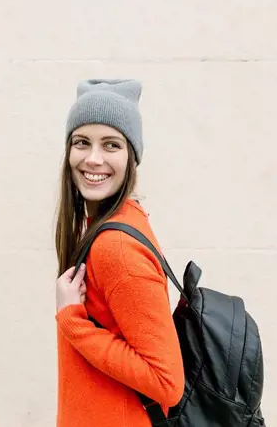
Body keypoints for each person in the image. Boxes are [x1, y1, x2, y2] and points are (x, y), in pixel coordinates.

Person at [54, 79, 184, 427]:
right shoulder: (115, 221)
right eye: (82, 142)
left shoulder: (117, 248)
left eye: (111, 144)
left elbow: (166, 383)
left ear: (132, 156)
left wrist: (72, 320)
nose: (93, 159)